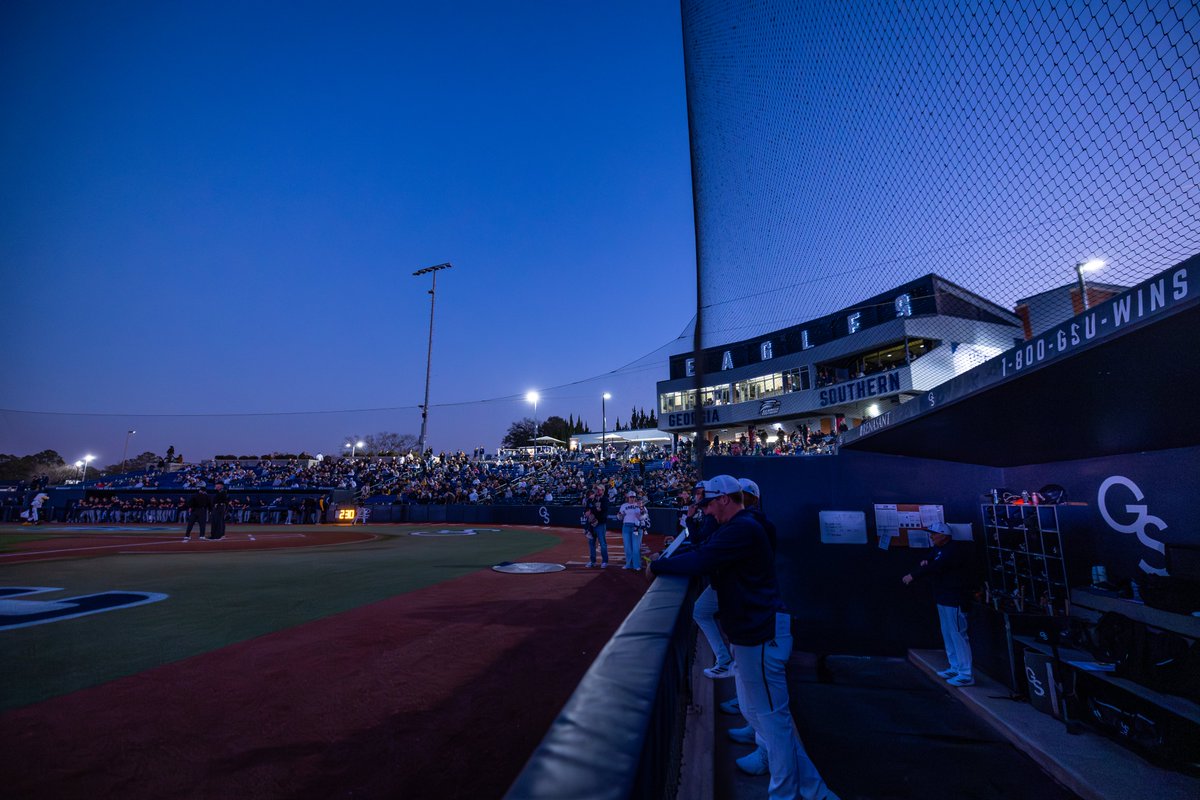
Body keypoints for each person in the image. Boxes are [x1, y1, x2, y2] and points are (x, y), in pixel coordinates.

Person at [650, 475, 839, 800]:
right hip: (753, 633)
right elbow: (704, 548)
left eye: (708, 503)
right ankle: (814, 789)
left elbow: (701, 559)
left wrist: (657, 565)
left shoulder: (744, 526)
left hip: (762, 633)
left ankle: (788, 793)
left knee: (772, 721)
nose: (706, 510)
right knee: (759, 715)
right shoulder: (740, 525)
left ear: (724, 498)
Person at [902, 523, 975, 686]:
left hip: (954, 598)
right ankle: (955, 666)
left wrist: (914, 575)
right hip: (942, 597)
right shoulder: (939, 549)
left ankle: (966, 674)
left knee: (958, 634)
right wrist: (925, 561)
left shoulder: (953, 551)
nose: (932, 537)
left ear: (944, 536)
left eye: (934, 534)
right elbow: (931, 558)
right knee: (948, 633)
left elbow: (936, 565)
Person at [618, 489, 646, 570]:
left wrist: (641, 509)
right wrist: (619, 515)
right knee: (627, 546)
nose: (632, 498)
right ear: (628, 497)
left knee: (636, 546)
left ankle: (636, 565)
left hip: (636, 527)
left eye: (634, 497)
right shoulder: (623, 505)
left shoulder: (639, 504)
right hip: (626, 526)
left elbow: (644, 515)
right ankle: (628, 564)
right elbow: (620, 517)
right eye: (631, 497)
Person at [584, 485, 610, 568]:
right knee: (591, 543)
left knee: (602, 543)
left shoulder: (604, 499)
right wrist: (589, 512)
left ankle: (605, 561)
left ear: (603, 490)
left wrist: (592, 511)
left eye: (599, 489)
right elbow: (586, 511)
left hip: (600, 524)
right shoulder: (591, 499)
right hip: (591, 524)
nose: (597, 491)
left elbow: (602, 510)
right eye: (596, 489)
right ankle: (592, 561)